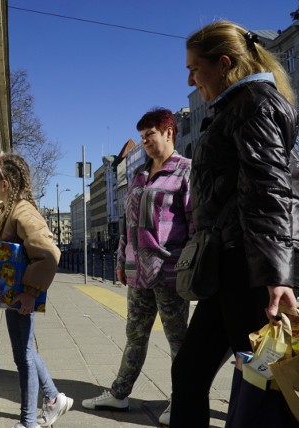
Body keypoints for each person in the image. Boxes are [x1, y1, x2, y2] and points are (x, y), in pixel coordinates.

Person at [170, 21, 299, 427]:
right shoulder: (237, 106)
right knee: (194, 373)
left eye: (195, 69)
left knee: (261, 387)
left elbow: (268, 189)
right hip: (232, 261)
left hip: (251, 268)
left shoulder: (254, 103)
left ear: (224, 63)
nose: (190, 78)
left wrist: (276, 278)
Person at [81, 108, 191, 426]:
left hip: (169, 272)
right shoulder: (140, 175)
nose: (144, 142)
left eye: (149, 135)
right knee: (135, 335)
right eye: (141, 137)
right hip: (137, 272)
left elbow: (196, 225)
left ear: (169, 132)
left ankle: (183, 400)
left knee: (178, 341)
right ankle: (119, 394)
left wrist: (186, 267)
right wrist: (121, 260)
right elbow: (128, 226)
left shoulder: (185, 172)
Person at [0, 153, 73, 428]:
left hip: (21, 298)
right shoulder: (4, 209)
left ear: (5, 184)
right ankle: (54, 400)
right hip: (13, 297)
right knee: (25, 351)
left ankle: (29, 422)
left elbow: (49, 253)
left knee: (24, 356)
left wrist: (31, 292)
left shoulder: (22, 211)